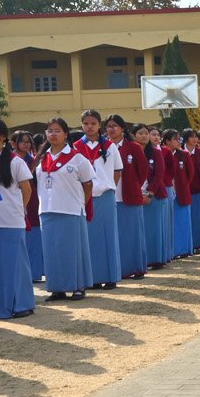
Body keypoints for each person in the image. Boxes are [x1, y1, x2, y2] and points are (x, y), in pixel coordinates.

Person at [0, 118, 36, 319]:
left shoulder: (15, 161)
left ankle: (22, 304)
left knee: (16, 264)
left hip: (10, 219)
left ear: (3, 137)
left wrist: (20, 210)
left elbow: (27, 189)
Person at [36, 117, 95, 301]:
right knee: (52, 251)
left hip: (71, 210)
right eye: (50, 131)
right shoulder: (42, 158)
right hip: (47, 210)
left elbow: (88, 184)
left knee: (73, 251)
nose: (53, 134)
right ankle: (57, 288)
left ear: (65, 134)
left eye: (57, 131)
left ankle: (78, 286)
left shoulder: (77, 158)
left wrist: (81, 203)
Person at [77, 110, 122, 288]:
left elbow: (117, 171)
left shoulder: (110, 146)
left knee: (108, 236)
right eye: (86, 123)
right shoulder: (75, 147)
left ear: (99, 125)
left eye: (93, 123)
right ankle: (93, 278)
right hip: (84, 196)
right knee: (88, 238)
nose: (89, 127)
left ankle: (110, 276)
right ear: (82, 125)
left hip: (105, 195)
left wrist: (110, 186)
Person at [107, 115, 148, 281]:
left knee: (133, 234)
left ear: (122, 128)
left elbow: (143, 170)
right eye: (109, 126)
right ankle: (120, 269)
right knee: (116, 236)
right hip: (109, 197)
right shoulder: (104, 146)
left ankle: (137, 267)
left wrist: (134, 185)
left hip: (129, 196)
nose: (112, 129)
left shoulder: (134, 147)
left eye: (115, 126)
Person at [136, 124, 171, 270]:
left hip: (154, 195)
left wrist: (150, 193)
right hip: (136, 195)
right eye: (141, 133)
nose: (144, 136)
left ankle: (156, 259)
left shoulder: (156, 152)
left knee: (153, 229)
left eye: (146, 133)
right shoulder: (132, 152)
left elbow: (159, 174)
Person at [16, 131, 45, 282]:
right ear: (14, 143)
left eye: (28, 141)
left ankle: (35, 272)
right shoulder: (11, 160)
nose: (26, 144)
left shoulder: (33, 161)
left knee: (34, 234)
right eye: (23, 141)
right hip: (14, 198)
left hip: (32, 198)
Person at [163, 130, 194, 260]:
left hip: (181, 192)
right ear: (167, 141)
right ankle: (171, 250)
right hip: (166, 192)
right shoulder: (162, 153)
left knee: (182, 222)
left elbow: (190, 174)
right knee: (170, 223)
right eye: (175, 139)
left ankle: (184, 249)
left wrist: (182, 186)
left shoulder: (184, 155)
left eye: (179, 139)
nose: (178, 141)